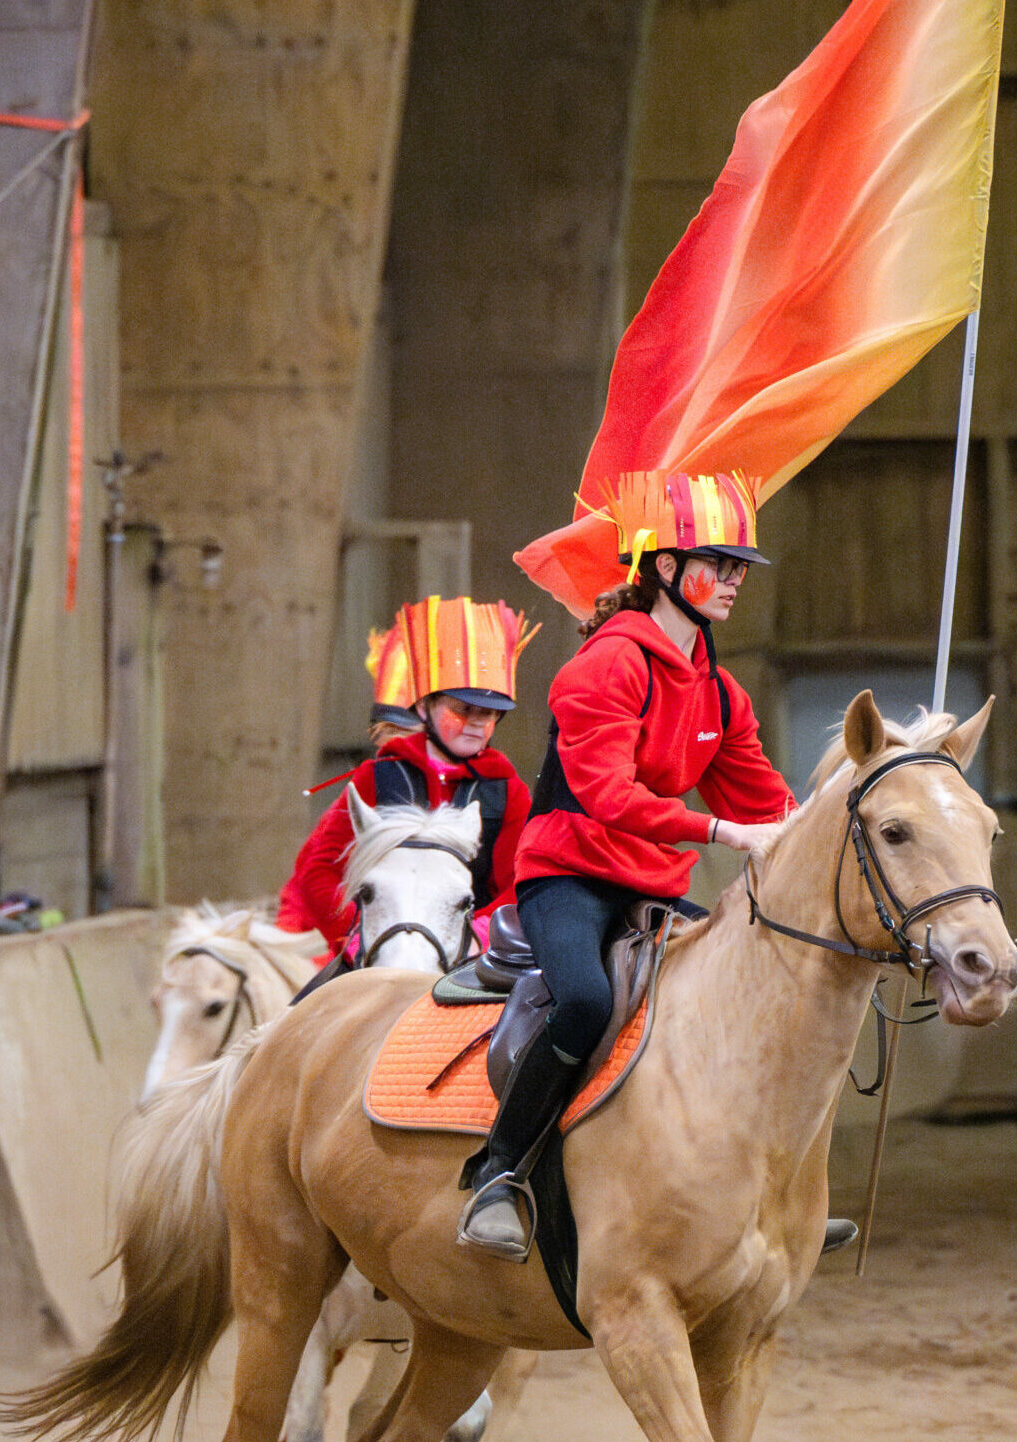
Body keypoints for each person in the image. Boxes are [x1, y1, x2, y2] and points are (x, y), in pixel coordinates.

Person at [458, 470, 800, 1261]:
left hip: (649, 883)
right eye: (719, 562)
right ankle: (498, 1173)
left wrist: (826, 828)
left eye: (741, 565)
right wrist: (717, 830)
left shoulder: (720, 693)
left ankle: (759, 1192)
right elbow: (607, 798)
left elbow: (766, 801)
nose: (736, 580)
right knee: (581, 1001)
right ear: (666, 568)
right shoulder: (606, 666)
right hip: (568, 874)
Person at [280, 595, 536, 976]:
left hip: (471, 963)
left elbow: (523, 882)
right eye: (462, 709)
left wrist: (478, 935)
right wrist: (356, 934)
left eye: (489, 714)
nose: (476, 723)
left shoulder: (508, 791)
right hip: (374, 960)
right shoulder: (377, 776)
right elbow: (318, 869)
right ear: (423, 708)